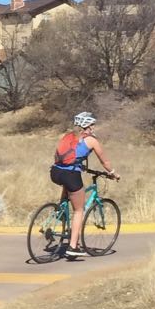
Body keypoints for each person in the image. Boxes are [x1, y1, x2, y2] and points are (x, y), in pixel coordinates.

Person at [50, 111, 119, 259]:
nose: (93, 127)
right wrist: (113, 173)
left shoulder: (68, 136)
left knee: (67, 186)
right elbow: (104, 161)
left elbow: (63, 156)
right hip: (71, 175)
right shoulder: (91, 140)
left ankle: (61, 207)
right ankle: (73, 247)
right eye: (92, 124)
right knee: (79, 211)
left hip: (55, 172)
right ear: (87, 125)